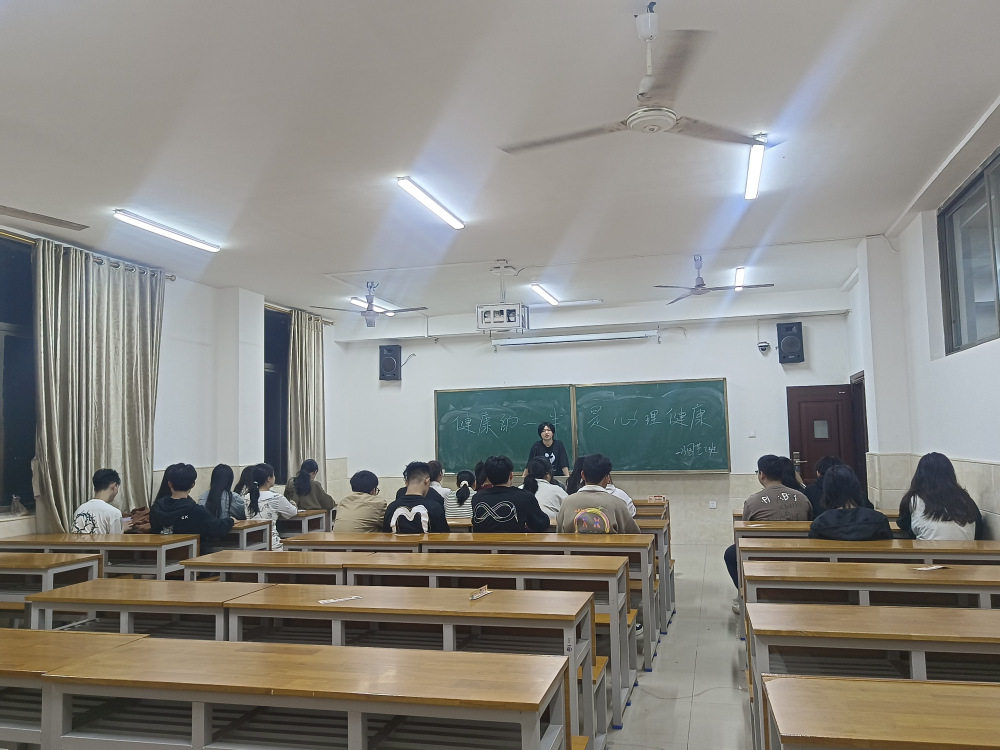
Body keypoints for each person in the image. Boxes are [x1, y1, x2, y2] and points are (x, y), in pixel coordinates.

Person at [723, 454, 812, 599]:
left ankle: (746, 594)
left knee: (730, 554)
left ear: (762, 474)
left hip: (763, 553)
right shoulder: (802, 498)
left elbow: (744, 533)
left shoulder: (753, 502)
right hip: (799, 550)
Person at [897, 452, 984, 540]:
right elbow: (979, 528)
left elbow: (903, 524)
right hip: (968, 548)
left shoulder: (914, 499)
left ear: (919, 476)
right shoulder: (965, 499)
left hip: (927, 548)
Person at [150, 464, 234, 550]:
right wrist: (231, 520)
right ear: (193, 484)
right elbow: (217, 527)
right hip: (194, 554)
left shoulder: (156, 508)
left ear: (169, 484)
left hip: (159, 554)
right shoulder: (196, 511)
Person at [556, 454, 640, 534]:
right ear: (607, 478)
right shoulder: (618, 504)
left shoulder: (567, 503)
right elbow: (633, 534)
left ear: (583, 475)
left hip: (574, 545)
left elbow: (559, 532)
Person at [809, 465, 893, 541]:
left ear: (827, 491)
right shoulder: (878, 519)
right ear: (856, 487)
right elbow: (889, 546)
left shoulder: (820, 522)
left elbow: (813, 548)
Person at [472, 455, 550, 533]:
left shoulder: (477, 498)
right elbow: (541, 524)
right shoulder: (524, 497)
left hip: (483, 541)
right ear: (511, 475)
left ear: (488, 478)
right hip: (515, 541)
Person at [383, 461, 450, 533]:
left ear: (406, 482)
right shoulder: (435, 508)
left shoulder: (391, 508)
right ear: (427, 481)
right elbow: (444, 536)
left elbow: (386, 535)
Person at [244, 463, 299, 550]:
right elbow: (292, 512)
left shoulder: (247, 497)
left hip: (250, 544)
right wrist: (294, 505)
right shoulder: (276, 497)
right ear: (269, 478)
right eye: (273, 475)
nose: (275, 477)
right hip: (271, 544)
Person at [72, 468, 132, 534]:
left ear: (95, 489)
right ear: (114, 486)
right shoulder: (114, 513)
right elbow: (115, 539)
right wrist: (122, 529)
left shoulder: (79, 510)